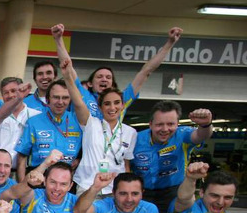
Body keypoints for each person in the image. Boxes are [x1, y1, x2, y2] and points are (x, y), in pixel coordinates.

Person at [51, 24, 183, 120]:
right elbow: (67, 67)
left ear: (112, 84)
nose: (104, 79)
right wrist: (58, 39)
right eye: (99, 77)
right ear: (90, 84)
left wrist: (169, 43)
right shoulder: (83, 94)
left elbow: (146, 71)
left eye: (108, 77)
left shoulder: (123, 99)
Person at [61, 58, 137, 196]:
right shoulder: (91, 123)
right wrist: (68, 77)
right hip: (87, 185)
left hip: (116, 189)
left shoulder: (130, 132)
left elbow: (126, 165)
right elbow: (78, 102)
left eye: (117, 103)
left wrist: (128, 189)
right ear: (100, 108)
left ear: (122, 105)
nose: (112, 107)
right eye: (107, 104)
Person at [130, 101, 213, 213]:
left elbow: (201, 135)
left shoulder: (183, 135)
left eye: (170, 124)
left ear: (177, 124)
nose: (165, 129)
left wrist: (206, 125)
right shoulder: (135, 139)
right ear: (150, 124)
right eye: (159, 124)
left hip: (173, 193)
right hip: (141, 193)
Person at [15, 79, 83, 181]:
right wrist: (21, 187)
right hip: (38, 176)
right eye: (56, 97)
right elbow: (21, 157)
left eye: (65, 98)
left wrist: (79, 160)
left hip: (66, 178)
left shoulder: (79, 122)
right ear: (47, 99)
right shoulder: (33, 122)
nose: (60, 102)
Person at [0, 78, 41, 173]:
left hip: (26, 171)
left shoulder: (36, 115)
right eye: (6, 92)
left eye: (13, 91)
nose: (10, 95)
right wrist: (18, 98)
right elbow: (1, 114)